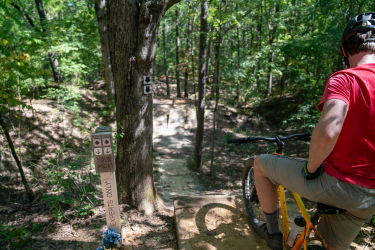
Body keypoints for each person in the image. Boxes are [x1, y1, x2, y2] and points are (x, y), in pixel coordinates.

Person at [252, 12, 375, 250]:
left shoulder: (346, 79)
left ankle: (272, 234)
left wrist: (311, 168)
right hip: (369, 200)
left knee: (260, 164)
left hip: (340, 185)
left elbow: (329, 131)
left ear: (344, 51)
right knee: (325, 245)